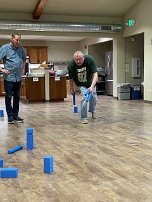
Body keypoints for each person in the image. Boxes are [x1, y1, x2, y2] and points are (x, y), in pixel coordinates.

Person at [0, 33, 26, 124]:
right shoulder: (5, 48)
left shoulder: (21, 49)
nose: (18, 42)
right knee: (8, 97)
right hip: (9, 78)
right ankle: (10, 117)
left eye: (19, 40)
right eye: (16, 40)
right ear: (11, 39)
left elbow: (24, 59)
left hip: (18, 78)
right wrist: (2, 69)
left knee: (17, 97)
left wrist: (23, 68)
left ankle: (15, 115)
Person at [67, 51, 98, 124]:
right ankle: (83, 117)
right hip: (81, 84)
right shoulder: (71, 65)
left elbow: (95, 75)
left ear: (83, 57)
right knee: (85, 98)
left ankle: (92, 110)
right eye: (76, 59)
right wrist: (72, 88)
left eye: (80, 59)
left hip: (91, 83)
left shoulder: (89, 60)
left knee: (93, 97)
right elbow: (71, 78)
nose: (78, 61)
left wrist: (92, 87)